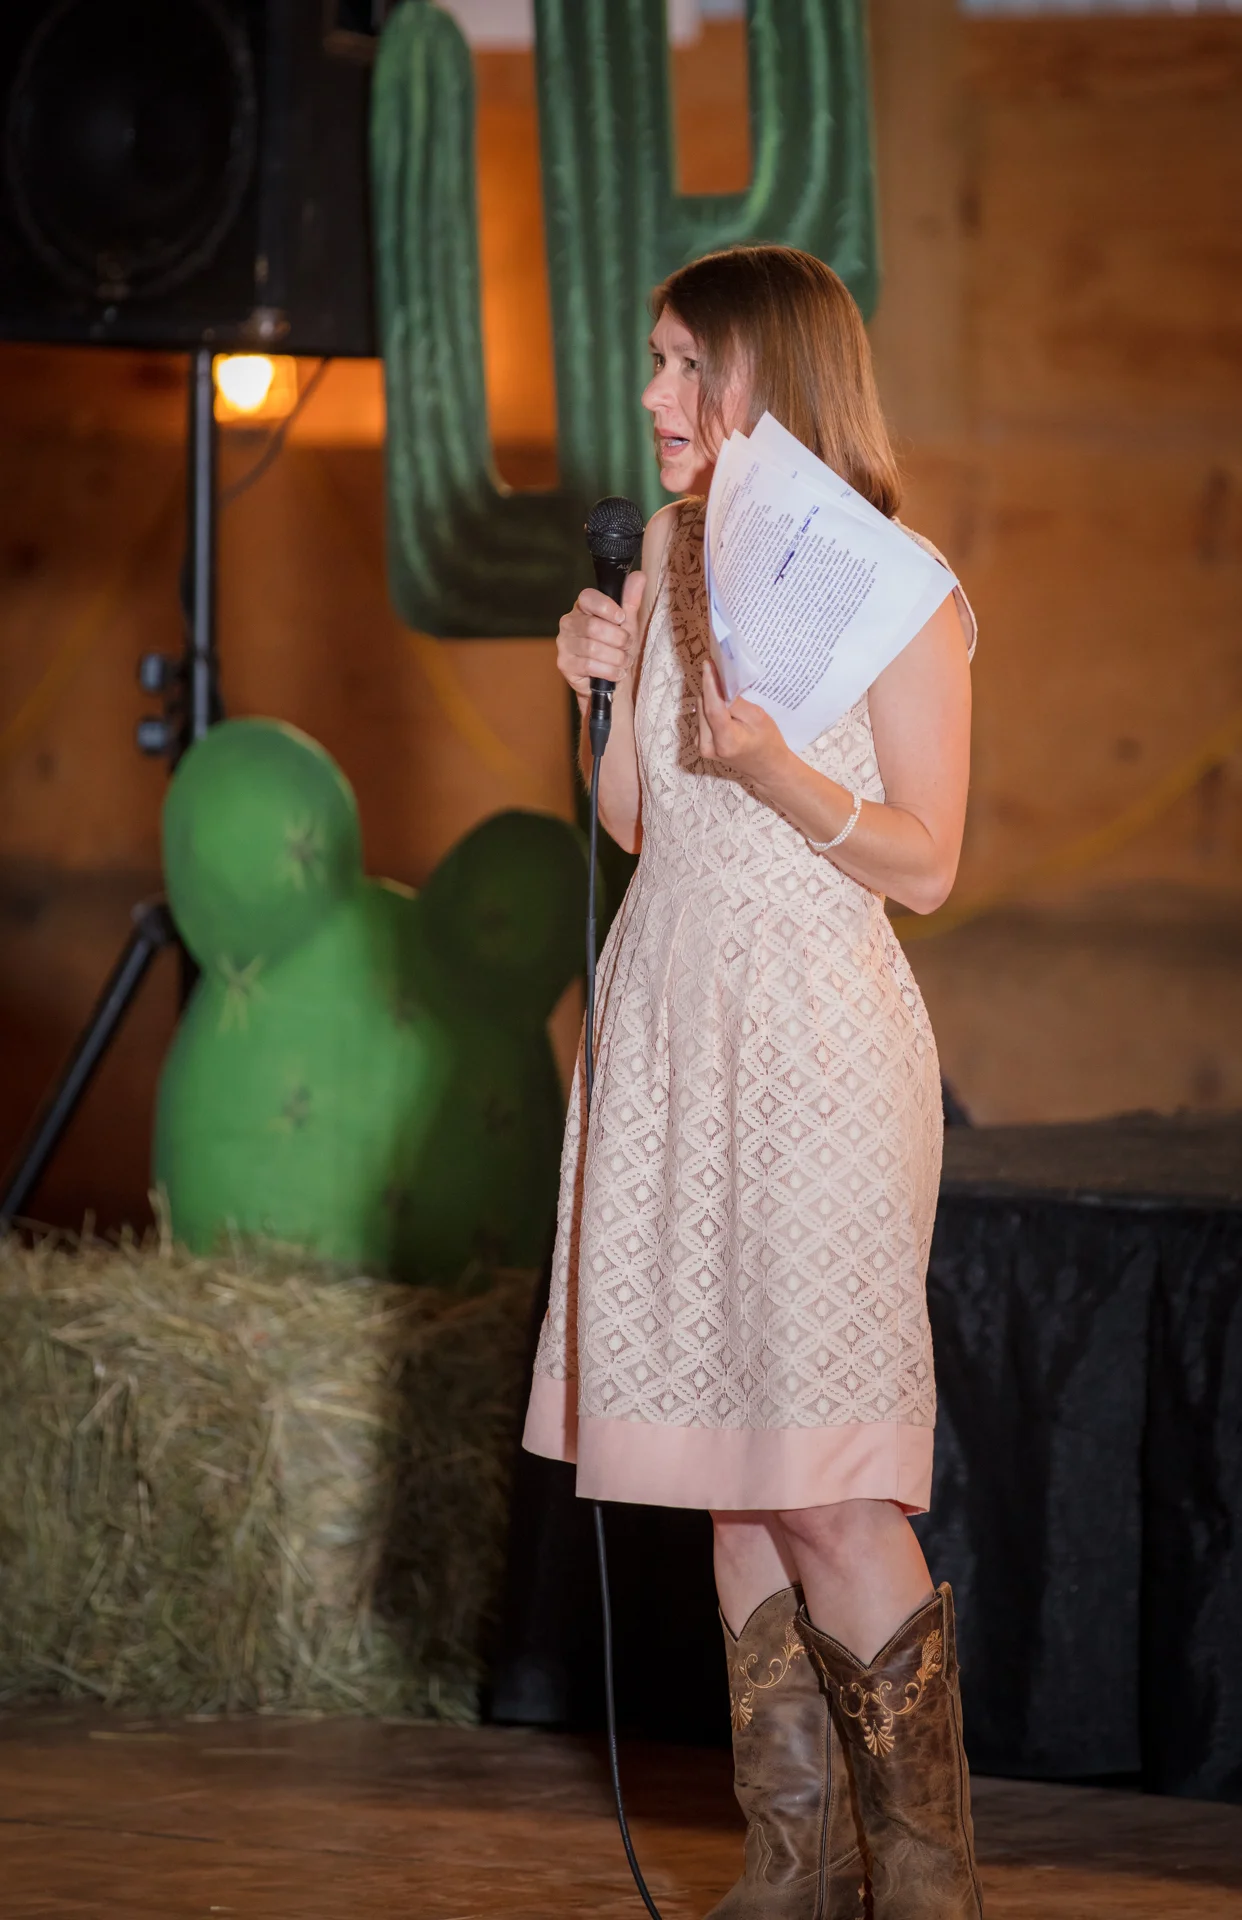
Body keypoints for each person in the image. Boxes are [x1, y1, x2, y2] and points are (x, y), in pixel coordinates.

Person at [522, 244, 982, 1920]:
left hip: (817, 1041)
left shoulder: (895, 585)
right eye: (652, 361)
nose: (653, 394)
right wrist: (596, 692)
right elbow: (644, 824)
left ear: (767, 376)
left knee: (824, 1482)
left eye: (681, 364)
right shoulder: (671, 551)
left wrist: (786, 773)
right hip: (668, 1022)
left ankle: (924, 1885)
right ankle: (789, 1872)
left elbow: (927, 864)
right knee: (726, 1480)